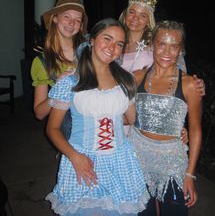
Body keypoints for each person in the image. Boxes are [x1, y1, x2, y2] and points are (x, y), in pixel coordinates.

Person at [45, 18, 150, 216]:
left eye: (119, 44)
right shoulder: (71, 81)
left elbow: (132, 120)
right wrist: (75, 157)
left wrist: (174, 128)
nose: (112, 47)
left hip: (120, 163)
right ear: (92, 40)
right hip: (82, 162)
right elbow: (52, 128)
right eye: (107, 39)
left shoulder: (126, 81)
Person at [129, 20, 202, 216]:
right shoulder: (136, 77)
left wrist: (190, 175)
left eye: (174, 46)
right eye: (162, 44)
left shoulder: (189, 84)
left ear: (181, 49)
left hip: (172, 163)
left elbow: (195, 130)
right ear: (152, 44)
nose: (167, 52)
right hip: (138, 160)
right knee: (144, 213)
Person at [119, 0, 204, 139]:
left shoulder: (157, 47)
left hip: (142, 125)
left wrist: (178, 125)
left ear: (149, 19)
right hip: (112, 116)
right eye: (132, 12)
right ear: (125, 13)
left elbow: (178, 81)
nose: (135, 18)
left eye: (143, 15)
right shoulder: (115, 43)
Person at [31, 0, 88, 138]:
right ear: (55, 18)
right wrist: (57, 90)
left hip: (97, 128)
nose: (71, 23)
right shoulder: (42, 62)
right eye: (67, 17)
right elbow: (39, 113)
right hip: (69, 135)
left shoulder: (88, 52)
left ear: (81, 26)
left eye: (77, 20)